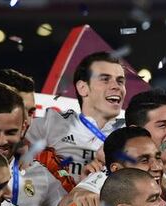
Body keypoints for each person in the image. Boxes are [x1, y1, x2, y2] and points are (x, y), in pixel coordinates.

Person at [25, 52, 126, 185]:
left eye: (120, 81)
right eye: (105, 79)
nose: (116, 86)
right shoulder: (50, 124)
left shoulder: (130, 137)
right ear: (83, 88)